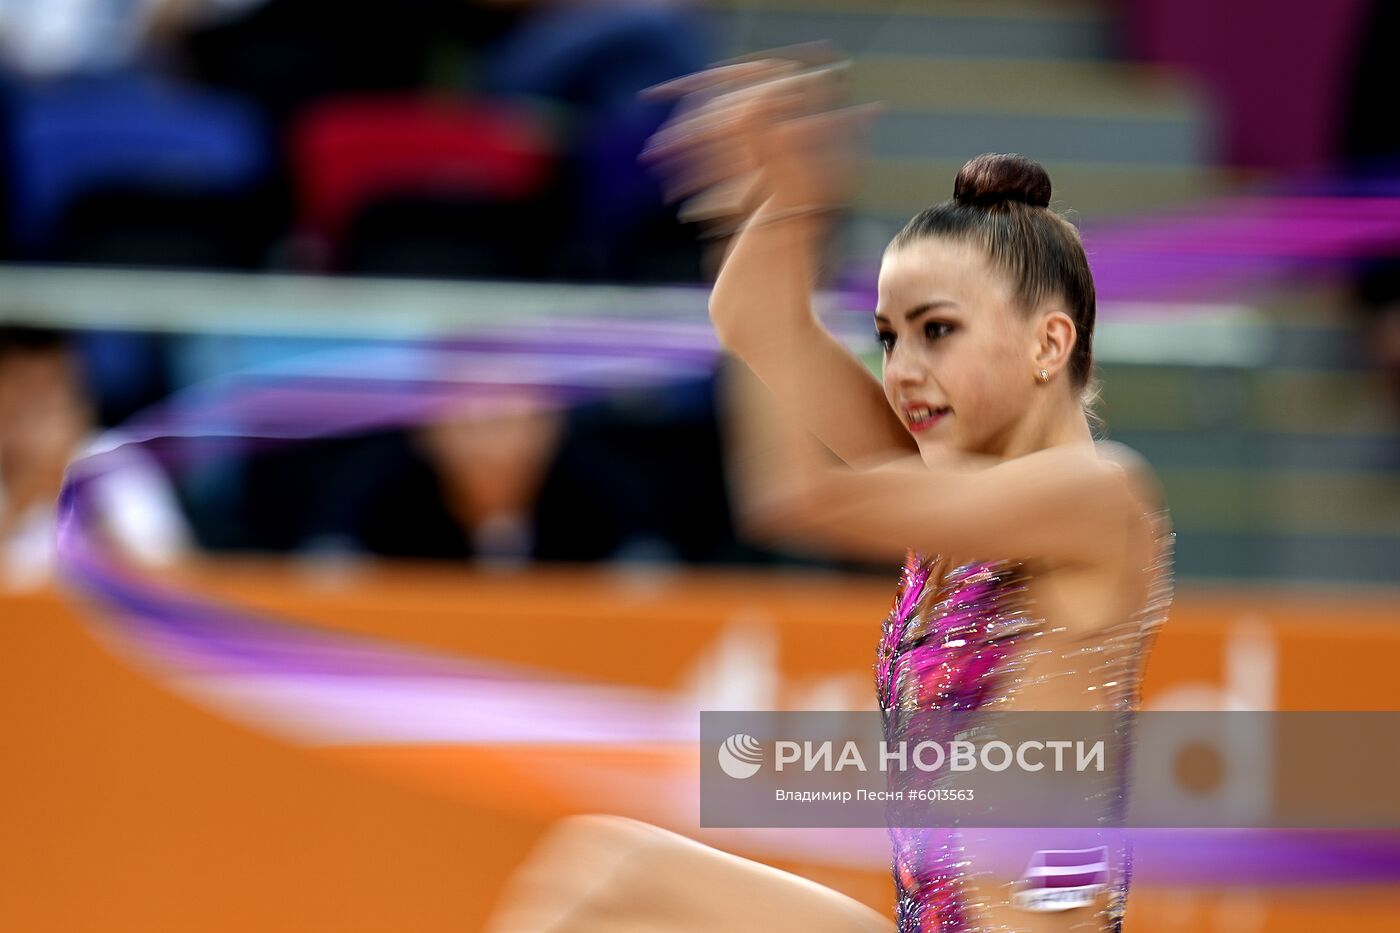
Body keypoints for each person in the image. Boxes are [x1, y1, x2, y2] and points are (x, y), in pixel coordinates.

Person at [642, 58, 1176, 931]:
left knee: (618, 875)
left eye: (937, 330)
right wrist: (767, 200)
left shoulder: (1101, 494)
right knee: (608, 874)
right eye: (888, 337)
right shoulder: (949, 491)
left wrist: (807, 210)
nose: (902, 371)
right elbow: (750, 322)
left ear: (1049, 344)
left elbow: (795, 494)